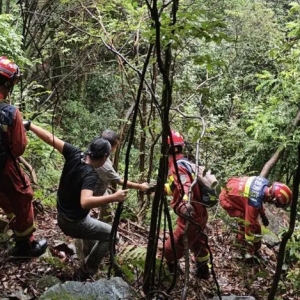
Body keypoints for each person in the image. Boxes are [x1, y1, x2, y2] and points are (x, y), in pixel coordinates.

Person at [23, 121, 128, 280]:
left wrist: (30, 125)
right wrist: (115, 197)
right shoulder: (90, 175)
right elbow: (85, 202)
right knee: (112, 235)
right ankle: (86, 271)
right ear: (105, 157)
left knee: (95, 232)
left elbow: (51, 138)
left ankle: (86, 256)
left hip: (63, 215)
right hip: (74, 223)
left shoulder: (74, 153)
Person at [0, 56, 47, 257]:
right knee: (23, 196)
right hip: (4, 165)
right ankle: (25, 246)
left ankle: (11, 222)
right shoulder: (10, 113)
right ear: (8, 83)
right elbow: (19, 148)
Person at [164, 130, 210, 280]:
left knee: (171, 247)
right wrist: (160, 188)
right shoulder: (185, 163)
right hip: (200, 213)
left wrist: (184, 204)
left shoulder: (178, 167)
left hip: (191, 216)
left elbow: (185, 185)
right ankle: (203, 272)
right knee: (198, 242)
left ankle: (171, 275)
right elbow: (175, 187)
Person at [219, 176, 292, 261]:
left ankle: (255, 250)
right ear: (273, 199)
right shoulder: (253, 202)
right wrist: (249, 246)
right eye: (276, 204)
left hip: (234, 189)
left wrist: (263, 215)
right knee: (246, 225)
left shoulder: (263, 185)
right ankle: (245, 251)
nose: (274, 205)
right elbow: (249, 223)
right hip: (227, 199)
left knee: (257, 228)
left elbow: (258, 199)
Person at [94, 129, 149, 221]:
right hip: (94, 189)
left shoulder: (95, 151)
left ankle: (103, 222)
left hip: (100, 185)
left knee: (106, 209)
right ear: (110, 147)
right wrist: (140, 186)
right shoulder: (104, 165)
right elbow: (119, 181)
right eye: (116, 146)